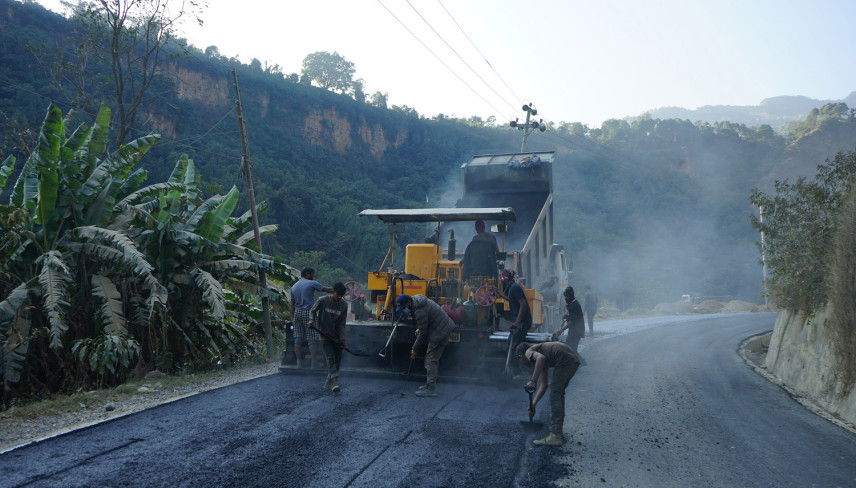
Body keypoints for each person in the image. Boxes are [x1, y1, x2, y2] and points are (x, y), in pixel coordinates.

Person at [517, 341, 581, 446]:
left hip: (565, 361)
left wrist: (533, 380)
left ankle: (555, 435)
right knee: (558, 393)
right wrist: (533, 405)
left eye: (521, 361)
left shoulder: (529, 351)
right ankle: (557, 432)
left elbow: (540, 358)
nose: (523, 364)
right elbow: (543, 385)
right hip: (573, 361)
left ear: (521, 356)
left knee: (555, 395)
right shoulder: (541, 356)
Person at [396, 293, 455, 397]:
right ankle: (429, 385)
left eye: (404, 307)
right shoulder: (419, 302)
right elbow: (427, 321)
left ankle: (430, 388)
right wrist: (420, 328)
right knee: (432, 359)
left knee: (430, 360)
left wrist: (414, 349)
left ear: (409, 302)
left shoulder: (419, 309)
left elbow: (423, 334)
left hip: (440, 332)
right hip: (442, 328)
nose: (405, 309)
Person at [308, 282, 349, 393]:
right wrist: (311, 320)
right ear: (332, 291)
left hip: (336, 337)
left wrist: (342, 340)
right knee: (330, 358)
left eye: (341, 295)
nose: (339, 297)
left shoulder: (344, 305)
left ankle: (328, 381)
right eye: (338, 294)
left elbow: (342, 324)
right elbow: (312, 311)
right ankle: (335, 382)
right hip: (324, 335)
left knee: (337, 360)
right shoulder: (323, 300)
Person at [290, 267, 333, 368]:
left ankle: (299, 362)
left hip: (297, 313)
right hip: (308, 312)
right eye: (312, 274)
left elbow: (292, 304)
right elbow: (328, 290)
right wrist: (340, 290)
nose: (312, 276)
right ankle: (314, 362)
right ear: (308, 274)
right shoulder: (311, 283)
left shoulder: (294, 286)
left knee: (298, 337)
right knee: (312, 337)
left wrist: (293, 317)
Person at [500, 269, 531, 369]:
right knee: (510, 344)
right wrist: (500, 294)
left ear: (503, 278)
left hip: (522, 322)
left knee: (515, 348)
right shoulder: (513, 288)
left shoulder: (515, 288)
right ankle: (516, 369)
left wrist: (517, 322)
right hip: (519, 322)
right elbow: (512, 299)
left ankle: (514, 371)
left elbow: (523, 304)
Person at [553, 286, 585, 355]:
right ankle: (580, 363)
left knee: (571, 349)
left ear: (571, 296)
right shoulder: (573, 302)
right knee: (570, 348)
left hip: (577, 331)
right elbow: (574, 316)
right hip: (574, 330)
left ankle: (581, 363)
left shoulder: (574, 304)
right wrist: (567, 316)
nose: (565, 298)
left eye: (567, 296)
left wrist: (561, 330)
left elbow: (572, 321)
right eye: (565, 296)